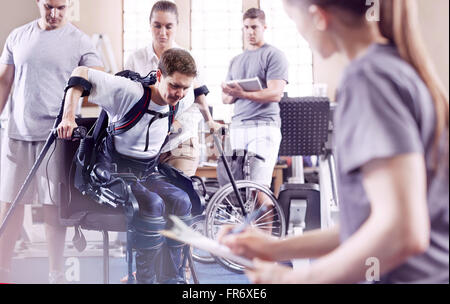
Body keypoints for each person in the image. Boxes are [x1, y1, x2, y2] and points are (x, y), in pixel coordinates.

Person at [219, 0, 449, 284]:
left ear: (319, 17)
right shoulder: (393, 68)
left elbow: (402, 232)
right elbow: (364, 225)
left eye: (295, 21)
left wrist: (292, 280)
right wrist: (274, 247)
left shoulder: (368, 78)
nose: (301, 32)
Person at [57, 48, 198, 284]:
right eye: (175, 86)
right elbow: (81, 73)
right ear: (159, 76)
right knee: (153, 204)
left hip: (147, 172)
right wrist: (68, 116)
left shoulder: (181, 99)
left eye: (185, 87)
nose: (180, 93)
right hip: (113, 172)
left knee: (183, 200)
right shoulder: (128, 92)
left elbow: (196, 95)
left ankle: (173, 279)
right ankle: (145, 280)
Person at [0, 0, 103, 283]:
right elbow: (4, 83)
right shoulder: (17, 37)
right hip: (16, 133)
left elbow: (99, 78)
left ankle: (56, 275)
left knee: (53, 209)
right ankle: (3, 273)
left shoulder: (80, 41)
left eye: (60, 7)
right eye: (48, 6)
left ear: (70, 4)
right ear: (38, 2)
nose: (54, 13)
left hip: (57, 137)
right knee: (9, 206)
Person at [125, 0, 222, 177]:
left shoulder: (188, 57)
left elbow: (198, 95)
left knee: (176, 196)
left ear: (177, 26)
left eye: (168, 27)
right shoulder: (135, 59)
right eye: (157, 26)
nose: (163, 33)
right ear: (150, 25)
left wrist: (208, 121)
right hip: (147, 144)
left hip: (180, 140)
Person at [221, 8, 288, 200]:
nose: (250, 32)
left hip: (264, 126)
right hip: (239, 127)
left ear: (264, 27)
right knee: (237, 193)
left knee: (259, 189)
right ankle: (244, 230)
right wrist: (231, 93)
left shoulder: (274, 55)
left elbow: (275, 93)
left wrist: (242, 93)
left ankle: (264, 231)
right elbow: (225, 100)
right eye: (246, 27)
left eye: (255, 27)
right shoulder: (236, 60)